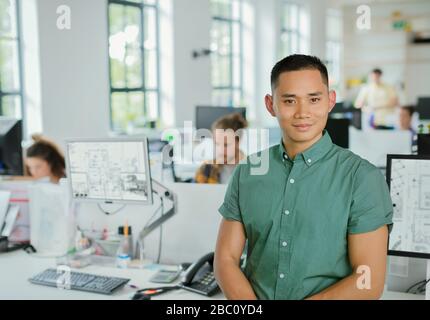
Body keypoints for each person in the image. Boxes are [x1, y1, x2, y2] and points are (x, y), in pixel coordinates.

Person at [214, 54, 393, 300]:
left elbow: (367, 281)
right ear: (271, 104)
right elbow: (225, 259)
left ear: (330, 101)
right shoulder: (248, 171)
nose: (302, 113)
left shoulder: (362, 178)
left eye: (314, 99)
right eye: (289, 101)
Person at [195, 113, 247, 184]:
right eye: (217, 144)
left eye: (226, 145)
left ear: (238, 142)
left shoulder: (251, 170)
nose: (221, 150)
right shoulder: (205, 169)